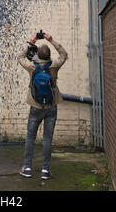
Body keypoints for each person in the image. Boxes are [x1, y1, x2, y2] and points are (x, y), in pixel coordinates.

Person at [17, 31, 68, 180]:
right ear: (48, 55)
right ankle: (45, 171)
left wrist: (31, 42)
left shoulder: (32, 67)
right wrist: (51, 40)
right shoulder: (54, 66)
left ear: (38, 54)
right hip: (51, 107)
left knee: (30, 137)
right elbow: (64, 55)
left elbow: (20, 57)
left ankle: (27, 168)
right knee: (47, 139)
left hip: (35, 107)